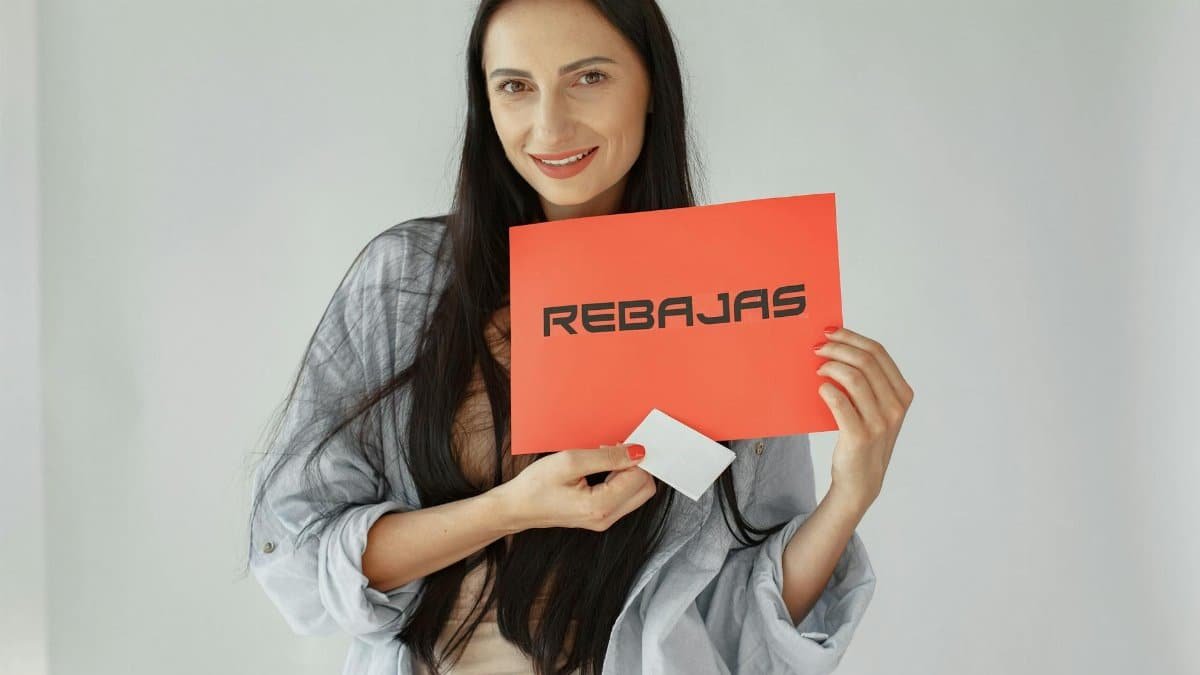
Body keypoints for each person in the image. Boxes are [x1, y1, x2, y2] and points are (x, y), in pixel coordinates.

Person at [245, 1, 914, 674]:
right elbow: (297, 559)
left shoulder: (729, 294)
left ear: (651, 84)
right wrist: (506, 509)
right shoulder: (405, 283)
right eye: (515, 86)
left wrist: (849, 495)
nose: (549, 124)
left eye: (588, 77)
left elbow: (747, 631)